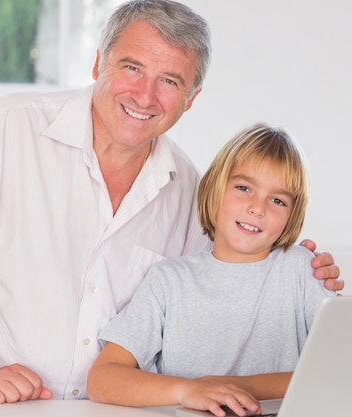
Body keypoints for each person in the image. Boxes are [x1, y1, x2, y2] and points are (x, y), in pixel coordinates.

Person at [0, 0, 342, 404]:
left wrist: (286, 264)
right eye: (131, 68)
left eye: (169, 80)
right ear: (98, 63)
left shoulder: (188, 187)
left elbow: (215, 286)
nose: (145, 95)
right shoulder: (4, 127)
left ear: (191, 99)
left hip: (99, 410)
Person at [87, 123, 336, 417]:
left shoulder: (301, 269)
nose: (258, 208)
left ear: (292, 216)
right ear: (215, 189)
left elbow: (343, 368)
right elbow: (102, 379)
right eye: (244, 188)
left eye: (278, 200)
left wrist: (229, 386)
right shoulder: (168, 280)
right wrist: (189, 390)